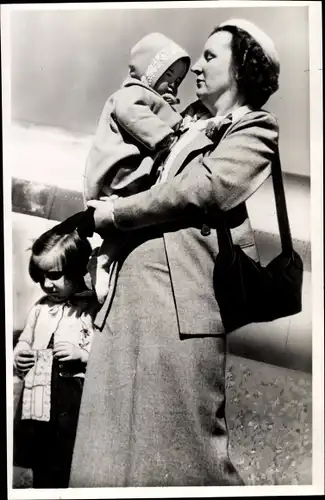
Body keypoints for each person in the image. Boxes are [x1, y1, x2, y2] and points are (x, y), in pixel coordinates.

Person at [70, 19, 280, 487]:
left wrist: (116, 213)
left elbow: (201, 189)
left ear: (243, 67)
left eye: (209, 57)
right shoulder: (179, 119)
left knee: (187, 457)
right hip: (124, 301)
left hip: (183, 311)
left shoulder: (254, 130)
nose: (196, 67)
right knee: (103, 455)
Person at [83, 32, 190, 304]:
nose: (174, 85)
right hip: (118, 178)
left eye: (178, 81)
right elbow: (136, 115)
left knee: (127, 228)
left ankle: (105, 259)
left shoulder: (152, 98)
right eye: (169, 76)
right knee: (127, 220)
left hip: (128, 180)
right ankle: (103, 260)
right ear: (150, 72)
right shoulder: (131, 94)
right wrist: (166, 136)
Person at [13, 216, 98, 488]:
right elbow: (26, 338)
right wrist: (22, 351)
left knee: (69, 457)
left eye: (54, 276)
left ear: (76, 271)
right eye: (41, 278)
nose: (47, 285)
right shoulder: (39, 307)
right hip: (39, 393)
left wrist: (82, 353)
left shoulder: (89, 308)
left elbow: (101, 349)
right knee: (41, 457)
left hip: (72, 394)